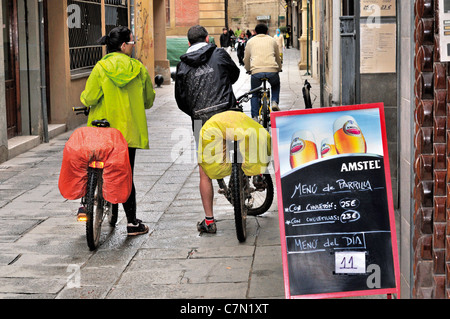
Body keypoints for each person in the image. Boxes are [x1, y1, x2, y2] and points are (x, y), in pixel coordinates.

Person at [80, 26, 155, 236]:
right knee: (125, 175)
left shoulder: (101, 67)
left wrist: (85, 101)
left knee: (91, 164)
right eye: (132, 43)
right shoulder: (138, 69)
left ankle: (85, 202)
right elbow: (148, 100)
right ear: (123, 45)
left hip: (102, 131)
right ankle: (132, 223)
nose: (133, 46)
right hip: (127, 134)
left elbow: (90, 97)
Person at [175, 25, 240, 234]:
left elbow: (181, 99)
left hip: (201, 120)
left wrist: (196, 113)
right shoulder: (219, 53)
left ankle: (209, 221)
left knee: (204, 172)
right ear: (208, 38)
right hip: (226, 111)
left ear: (188, 43)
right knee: (243, 148)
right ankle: (245, 177)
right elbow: (235, 74)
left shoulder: (182, 66)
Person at [243, 23, 282, 118]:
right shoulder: (272, 40)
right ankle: (274, 102)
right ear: (267, 31)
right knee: (275, 85)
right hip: (272, 70)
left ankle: (255, 116)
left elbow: (246, 58)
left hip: (256, 71)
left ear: (255, 32)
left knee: (254, 93)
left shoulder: (250, 42)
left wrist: (248, 69)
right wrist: (279, 68)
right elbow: (277, 57)